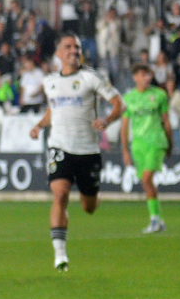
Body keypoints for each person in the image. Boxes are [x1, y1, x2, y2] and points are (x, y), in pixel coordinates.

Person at [29, 34, 124, 271]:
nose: (73, 50)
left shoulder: (90, 77)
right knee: (59, 194)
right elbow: (55, 110)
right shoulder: (50, 81)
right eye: (68, 47)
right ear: (59, 54)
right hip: (60, 146)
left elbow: (118, 103)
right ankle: (60, 254)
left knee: (88, 207)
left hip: (88, 150)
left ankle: (93, 197)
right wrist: (40, 125)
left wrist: (108, 120)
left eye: (77, 47)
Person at [121, 64, 172, 233]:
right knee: (146, 182)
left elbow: (166, 121)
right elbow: (124, 126)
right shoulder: (128, 98)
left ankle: (155, 220)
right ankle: (158, 219)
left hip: (156, 141)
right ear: (135, 77)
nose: (147, 78)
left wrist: (170, 143)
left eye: (148, 75)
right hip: (138, 145)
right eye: (143, 75)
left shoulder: (159, 95)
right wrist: (125, 150)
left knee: (146, 178)